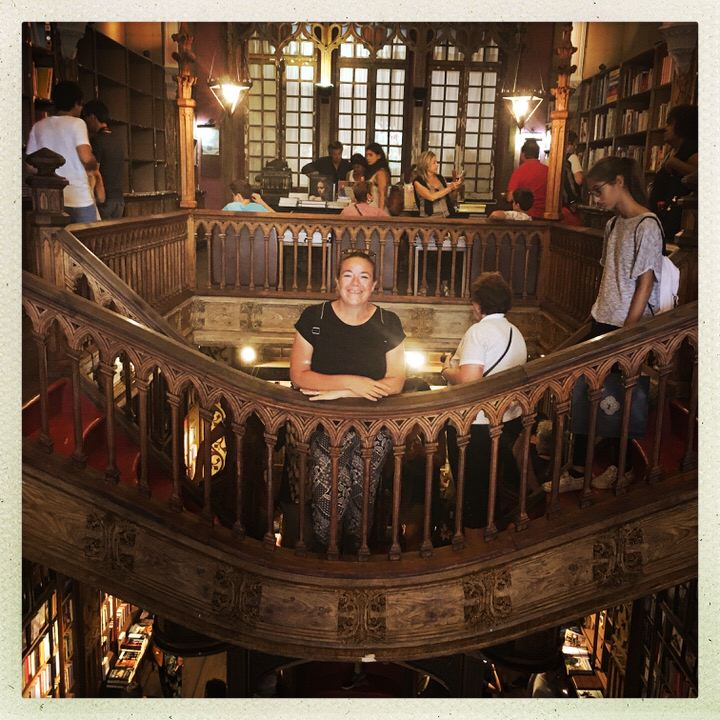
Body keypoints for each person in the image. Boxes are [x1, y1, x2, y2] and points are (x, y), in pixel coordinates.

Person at [289, 250, 406, 552]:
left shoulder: (388, 322)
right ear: (337, 281)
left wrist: (343, 391)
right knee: (329, 503)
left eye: (364, 276)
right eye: (348, 275)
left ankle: (354, 563)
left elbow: (396, 381)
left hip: (373, 431)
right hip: (325, 427)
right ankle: (325, 562)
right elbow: (300, 374)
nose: (356, 283)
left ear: (374, 284)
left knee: (361, 501)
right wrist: (355, 382)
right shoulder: (315, 317)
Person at [563, 155, 664, 491]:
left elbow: (645, 282)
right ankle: (577, 470)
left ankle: (621, 468)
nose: (595, 199)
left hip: (624, 326)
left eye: (598, 190)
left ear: (619, 182)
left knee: (621, 398)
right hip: (601, 318)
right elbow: (610, 274)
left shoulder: (647, 224)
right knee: (582, 392)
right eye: (592, 193)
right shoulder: (612, 224)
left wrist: (628, 333)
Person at [441, 272, 528, 531]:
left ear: (478, 305)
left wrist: (446, 371)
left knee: (472, 490)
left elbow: (469, 379)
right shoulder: (516, 332)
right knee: (492, 486)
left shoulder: (479, 332)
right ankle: (491, 534)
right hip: (508, 419)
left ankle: (472, 542)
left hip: (477, 424)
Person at [25, 80, 99, 223]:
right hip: (78, 198)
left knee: (55, 243)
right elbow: (85, 157)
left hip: (48, 201)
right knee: (85, 243)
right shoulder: (77, 123)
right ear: (77, 103)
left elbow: (29, 166)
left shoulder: (38, 126)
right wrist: (93, 165)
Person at [648, 104, 698, 244]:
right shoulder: (674, 151)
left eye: (670, 124)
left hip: (675, 226)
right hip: (664, 223)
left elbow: (701, 174)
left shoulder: (690, 149)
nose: (666, 128)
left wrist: (675, 164)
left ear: (682, 126)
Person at [82, 99, 126, 219]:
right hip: (119, 200)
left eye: (85, 117)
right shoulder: (118, 139)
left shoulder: (97, 140)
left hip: (104, 200)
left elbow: (93, 172)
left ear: (92, 117)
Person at [412, 150, 463, 217]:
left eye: (437, 162)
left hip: (446, 217)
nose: (437, 165)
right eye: (434, 163)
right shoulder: (418, 182)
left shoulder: (440, 178)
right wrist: (450, 187)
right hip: (429, 220)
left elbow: (449, 197)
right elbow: (431, 197)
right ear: (425, 164)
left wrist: (455, 186)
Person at [506, 139, 548, 219]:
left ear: (523, 154)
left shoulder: (520, 171)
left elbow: (510, 197)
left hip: (525, 218)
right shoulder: (548, 171)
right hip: (545, 217)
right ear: (537, 154)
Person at [561, 130, 584, 226]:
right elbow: (579, 180)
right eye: (575, 144)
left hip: (560, 203)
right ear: (570, 144)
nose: (575, 147)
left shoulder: (553, 159)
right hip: (571, 204)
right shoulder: (572, 158)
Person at [365, 142, 392, 211]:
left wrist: (380, 215)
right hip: (371, 209)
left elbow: (382, 195)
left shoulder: (381, 173)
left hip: (377, 209)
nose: (368, 158)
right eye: (366, 155)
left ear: (379, 156)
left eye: (371, 155)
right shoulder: (373, 171)